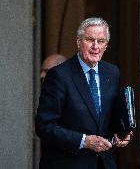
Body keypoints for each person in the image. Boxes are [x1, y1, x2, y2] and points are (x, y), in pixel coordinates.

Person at [35, 17, 132, 169]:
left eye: (100, 41)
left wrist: (121, 134)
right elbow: (44, 126)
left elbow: (107, 118)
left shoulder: (112, 72)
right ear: (79, 42)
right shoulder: (59, 75)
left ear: (106, 45)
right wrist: (84, 140)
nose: (95, 46)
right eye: (90, 40)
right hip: (68, 163)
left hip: (104, 164)